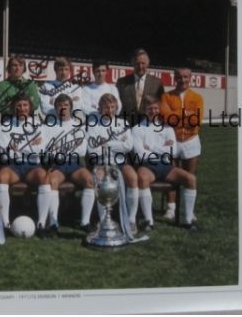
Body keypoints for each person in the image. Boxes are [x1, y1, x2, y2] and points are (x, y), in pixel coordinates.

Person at [132, 96, 198, 231]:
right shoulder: (137, 129)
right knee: (142, 178)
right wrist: (162, 148)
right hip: (147, 165)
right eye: (149, 109)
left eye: (155, 108)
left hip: (167, 166)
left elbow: (173, 151)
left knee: (190, 179)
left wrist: (151, 148)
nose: (153, 111)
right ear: (144, 110)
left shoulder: (167, 128)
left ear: (159, 110)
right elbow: (140, 153)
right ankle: (148, 221)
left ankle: (187, 220)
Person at [86, 93, 139, 233]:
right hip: (101, 162)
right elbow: (93, 150)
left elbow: (128, 146)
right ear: (99, 108)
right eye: (105, 107)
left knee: (133, 178)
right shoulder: (93, 124)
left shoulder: (123, 123)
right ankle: (103, 220)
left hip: (121, 162)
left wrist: (106, 143)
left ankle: (131, 220)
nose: (109, 110)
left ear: (116, 108)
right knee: (98, 179)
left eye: (112, 107)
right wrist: (117, 143)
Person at [42, 94, 95, 235]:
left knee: (90, 180)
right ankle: (53, 223)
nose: (63, 108)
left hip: (75, 163)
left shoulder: (78, 125)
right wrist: (69, 146)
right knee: (52, 181)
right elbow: (46, 150)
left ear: (71, 107)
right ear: (55, 108)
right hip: (57, 164)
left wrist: (59, 147)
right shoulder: (48, 125)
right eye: (59, 105)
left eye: (66, 105)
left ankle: (85, 222)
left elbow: (82, 150)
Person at [0, 94, 48, 233]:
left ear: (30, 107)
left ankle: (41, 223)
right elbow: (4, 151)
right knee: (2, 177)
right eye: (19, 106)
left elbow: (40, 150)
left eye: (25, 105)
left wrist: (19, 148)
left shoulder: (38, 125)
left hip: (33, 166)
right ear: (13, 108)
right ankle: (5, 222)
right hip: (14, 166)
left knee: (44, 177)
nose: (22, 108)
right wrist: (30, 144)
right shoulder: (6, 125)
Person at [160, 68, 204, 220]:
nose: (182, 80)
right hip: (172, 140)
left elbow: (196, 121)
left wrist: (176, 114)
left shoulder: (197, 97)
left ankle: (188, 210)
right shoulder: (166, 96)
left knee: (190, 176)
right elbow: (166, 118)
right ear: (174, 78)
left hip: (191, 140)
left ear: (190, 78)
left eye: (185, 77)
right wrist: (186, 114)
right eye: (179, 77)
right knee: (170, 175)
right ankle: (171, 208)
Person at [116, 49, 164, 126]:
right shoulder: (122, 82)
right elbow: (117, 105)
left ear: (148, 63)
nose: (140, 66)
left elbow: (161, 105)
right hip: (126, 126)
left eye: (143, 63)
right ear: (132, 63)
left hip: (148, 126)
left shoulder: (157, 83)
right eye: (137, 63)